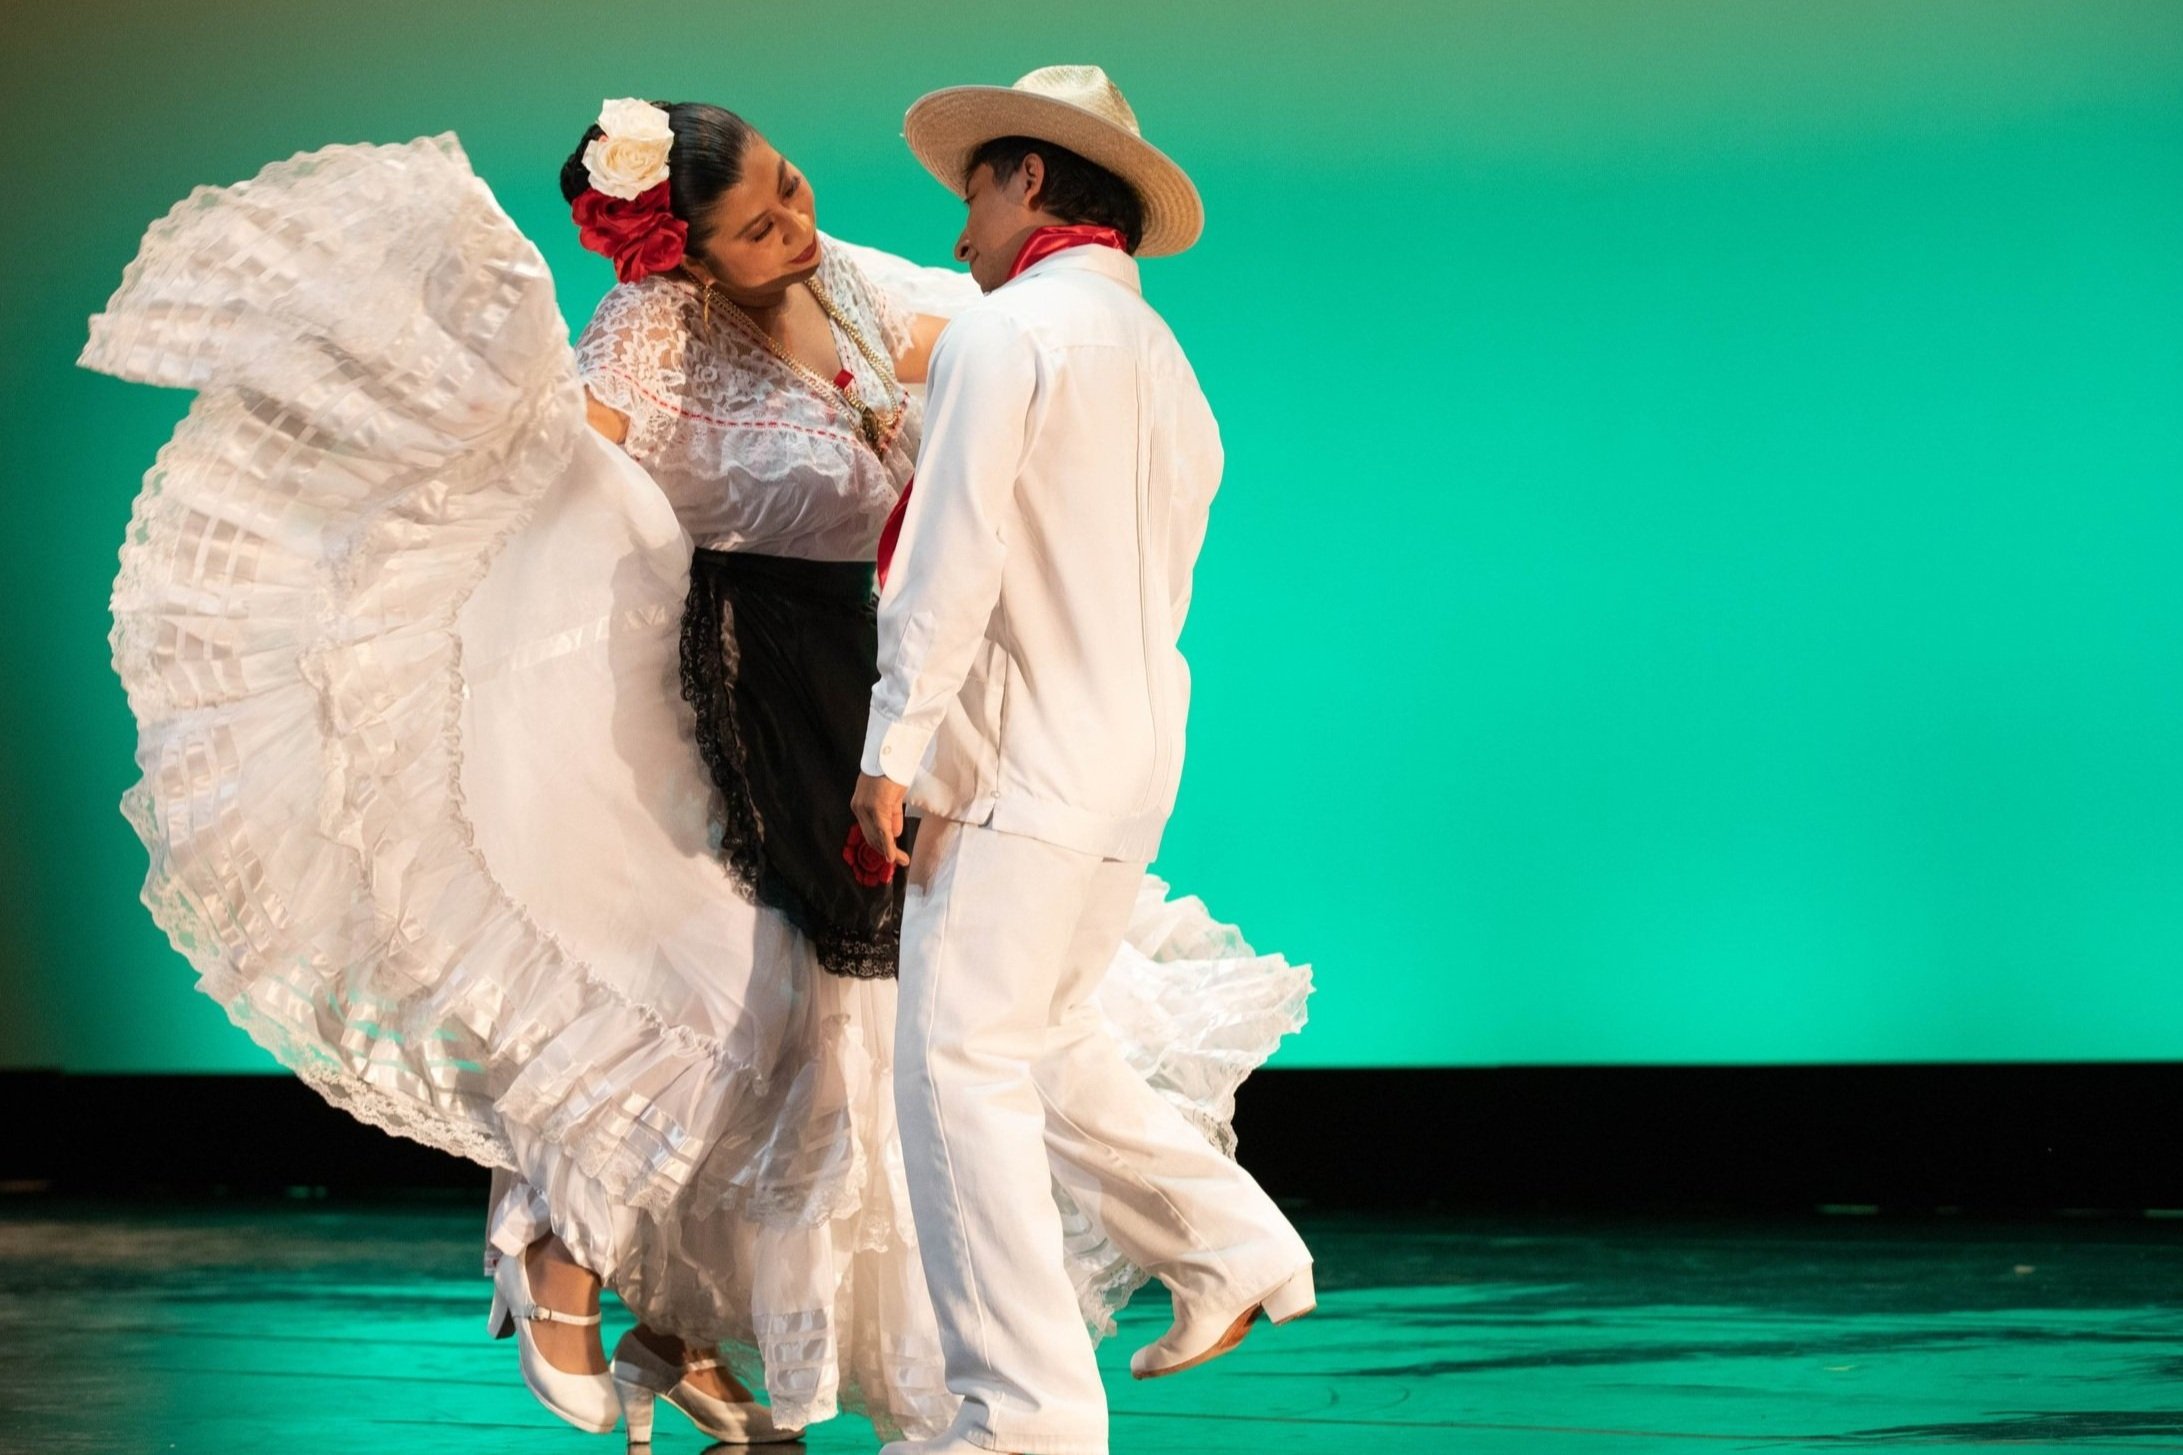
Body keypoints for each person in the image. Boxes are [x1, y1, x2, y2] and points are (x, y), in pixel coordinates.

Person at [84, 93, 1311, 1448]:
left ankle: (713, 1333)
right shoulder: (651, 336)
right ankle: (569, 1248)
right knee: (715, 995)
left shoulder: (888, 291)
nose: (794, 223)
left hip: (879, 685)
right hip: (728, 689)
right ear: (684, 255)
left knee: (882, 1039)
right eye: (755, 222)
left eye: (790, 186)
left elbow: (1004, 439)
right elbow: (564, 496)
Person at [852, 66, 1315, 1455]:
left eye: (974, 196)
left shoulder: (1011, 335)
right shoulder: (1167, 366)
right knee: (1038, 1037)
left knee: (955, 1073)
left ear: (1032, 178)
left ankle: (1024, 1420)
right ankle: (1232, 1244)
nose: (957, 238)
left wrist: (891, 752)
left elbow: (951, 563)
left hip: (1014, 763)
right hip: (1124, 757)